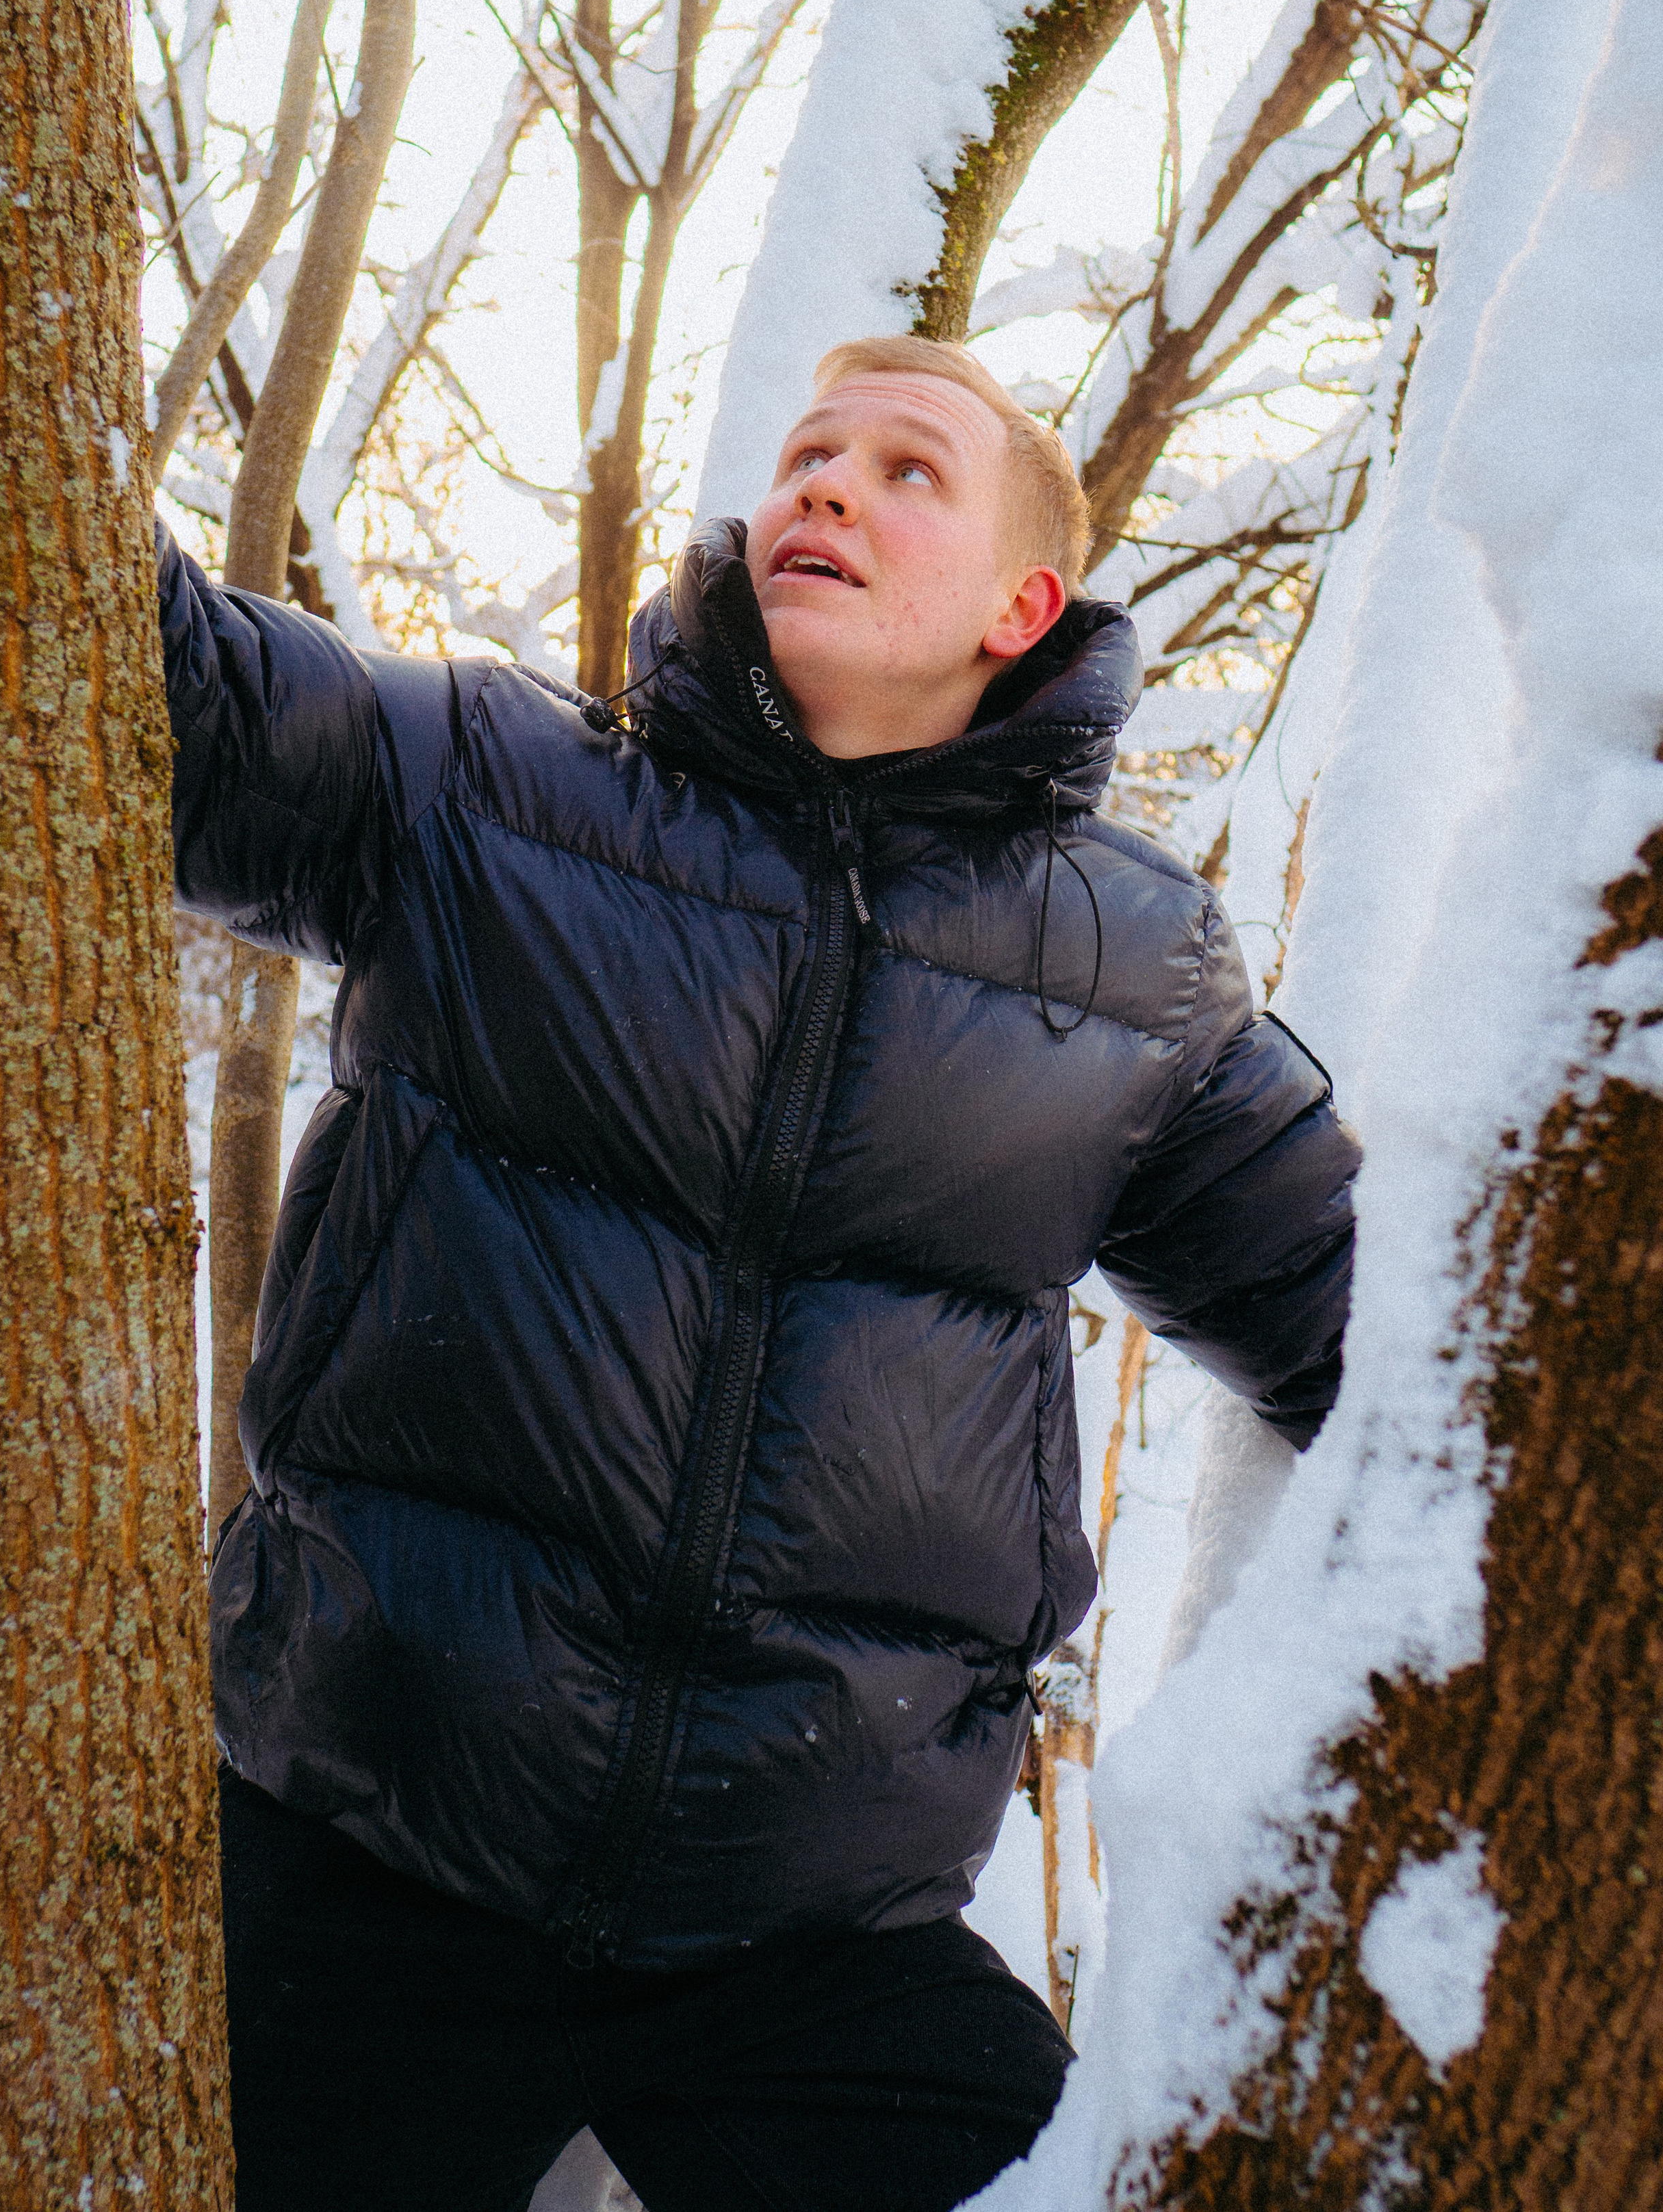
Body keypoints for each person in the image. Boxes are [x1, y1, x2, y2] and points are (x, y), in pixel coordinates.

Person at [160, 336, 1356, 2211]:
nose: (827, 487)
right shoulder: (493, 791)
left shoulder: (1133, 982)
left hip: (812, 1940)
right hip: (366, 1856)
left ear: (1021, 605)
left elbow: (1387, 1335)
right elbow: (160, 686)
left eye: (907, 471)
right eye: (811, 452)